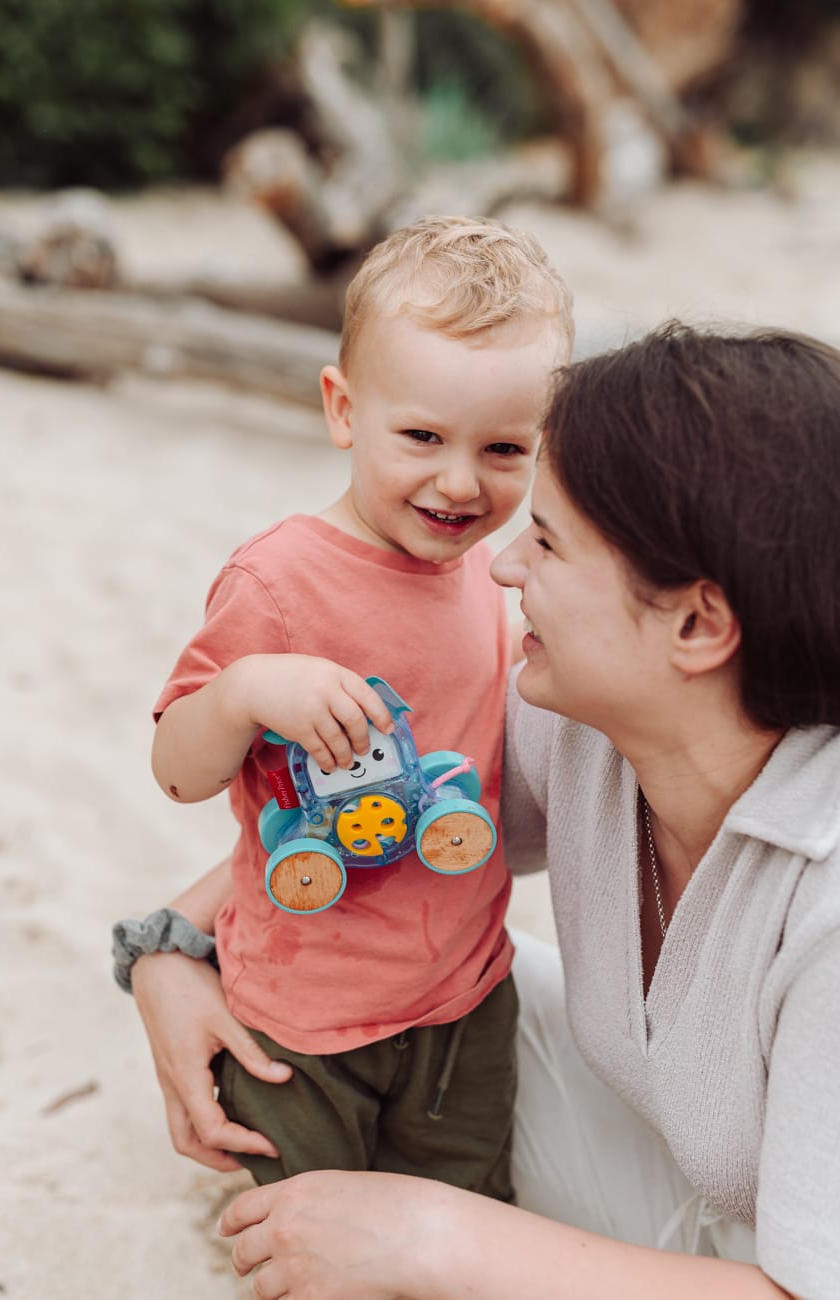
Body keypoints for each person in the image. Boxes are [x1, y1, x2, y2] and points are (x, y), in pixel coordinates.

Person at [127, 321, 840, 1299]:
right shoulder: (589, 725)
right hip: (693, 1195)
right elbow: (390, 823)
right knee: (327, 1054)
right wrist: (169, 948)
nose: (501, 569)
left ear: (696, 622)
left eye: (544, 542)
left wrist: (429, 1238)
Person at [116, 214, 575, 1198]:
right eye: (420, 437)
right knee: (305, 1226)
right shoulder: (278, 580)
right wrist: (244, 692)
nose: (457, 481)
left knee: (455, 1204)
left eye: (503, 449)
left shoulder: (488, 578)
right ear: (341, 409)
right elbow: (177, 770)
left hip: (462, 995)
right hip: (299, 1012)